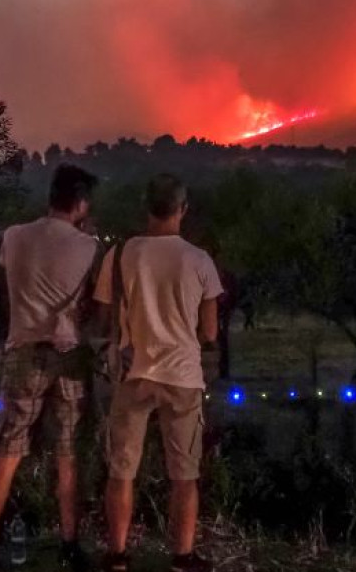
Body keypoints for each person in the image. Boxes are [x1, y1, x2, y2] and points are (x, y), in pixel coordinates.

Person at [0, 164, 101, 572]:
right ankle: (69, 543)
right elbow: (89, 303)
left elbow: (9, 278)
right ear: (80, 203)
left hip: (23, 350)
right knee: (67, 452)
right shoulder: (89, 245)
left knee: (6, 450)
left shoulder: (14, 236)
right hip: (68, 353)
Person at [93, 173, 222, 572]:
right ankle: (182, 556)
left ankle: (117, 554)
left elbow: (105, 314)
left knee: (122, 470)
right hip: (182, 376)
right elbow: (211, 331)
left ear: (147, 208)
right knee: (184, 475)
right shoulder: (199, 260)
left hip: (133, 374)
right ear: (183, 210)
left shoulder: (120, 255)